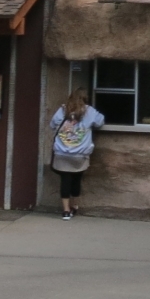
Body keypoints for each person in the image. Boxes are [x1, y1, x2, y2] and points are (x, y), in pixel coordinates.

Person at [50, 87, 104, 219]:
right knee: (76, 180)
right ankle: (74, 206)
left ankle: (66, 211)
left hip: (61, 153)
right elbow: (100, 122)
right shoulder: (90, 111)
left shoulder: (62, 110)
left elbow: (52, 125)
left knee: (65, 180)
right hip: (80, 154)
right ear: (86, 98)